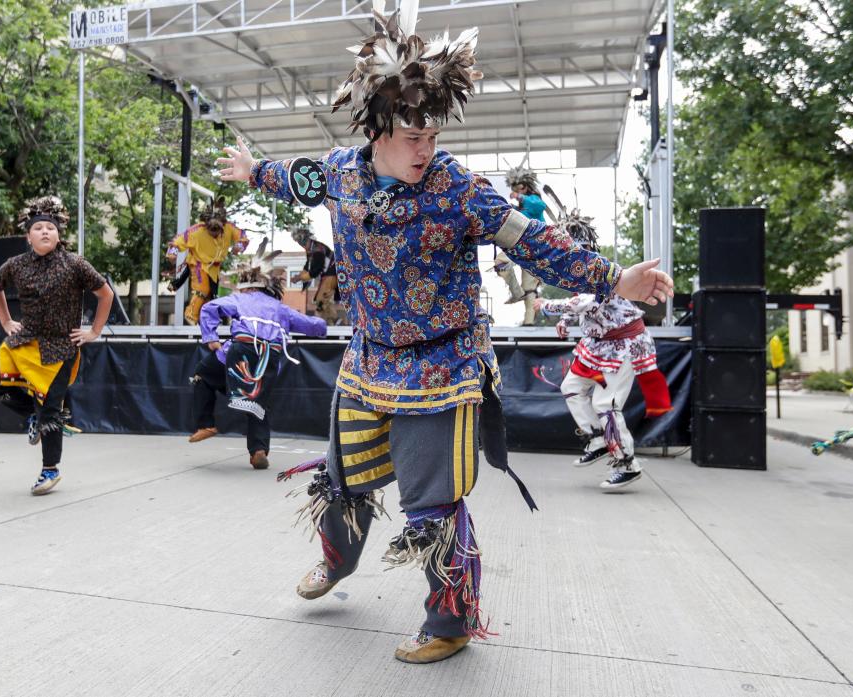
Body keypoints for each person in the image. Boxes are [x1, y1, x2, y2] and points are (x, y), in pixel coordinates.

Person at [217, 0, 672, 665]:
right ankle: (337, 563)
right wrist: (252, 170)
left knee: (431, 501)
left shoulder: (458, 187)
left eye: (432, 136)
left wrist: (614, 276)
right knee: (343, 479)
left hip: (443, 360)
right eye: (412, 137)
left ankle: (452, 618)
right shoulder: (340, 171)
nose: (426, 150)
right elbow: (294, 178)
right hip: (368, 356)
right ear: (377, 129)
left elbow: (533, 241)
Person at [0, 196, 114, 495]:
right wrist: (5, 322)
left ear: (58, 234)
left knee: (51, 412)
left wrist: (94, 331)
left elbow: (106, 295)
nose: (44, 232)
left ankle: (49, 470)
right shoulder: (16, 265)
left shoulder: (75, 263)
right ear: (28, 236)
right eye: (38, 228)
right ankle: (31, 415)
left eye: (49, 228)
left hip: (59, 347)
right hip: (25, 339)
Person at [536, 212, 673, 491]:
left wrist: (547, 307)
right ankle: (597, 437)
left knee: (605, 404)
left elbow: (584, 302)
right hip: (600, 345)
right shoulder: (578, 272)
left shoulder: (599, 269)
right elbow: (586, 306)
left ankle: (628, 463)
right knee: (571, 386)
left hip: (624, 346)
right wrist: (564, 321)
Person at [189, 239, 327, 468]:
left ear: (247, 283)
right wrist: (324, 324)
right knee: (257, 401)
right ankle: (258, 450)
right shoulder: (279, 308)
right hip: (268, 359)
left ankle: (206, 423)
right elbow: (313, 325)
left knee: (202, 374)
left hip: (240, 352)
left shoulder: (240, 299)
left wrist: (211, 338)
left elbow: (209, 308)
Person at [166, 197, 249, 325]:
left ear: (223, 225)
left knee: (212, 295)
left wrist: (239, 247)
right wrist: (172, 253)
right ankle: (190, 316)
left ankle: (204, 320)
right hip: (198, 263)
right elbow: (177, 241)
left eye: (217, 230)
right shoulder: (196, 231)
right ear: (206, 225)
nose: (214, 233)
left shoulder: (229, 228)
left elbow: (242, 237)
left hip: (215, 267)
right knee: (202, 289)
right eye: (211, 230)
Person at [493, 165, 555, 326]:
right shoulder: (520, 208)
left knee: (529, 286)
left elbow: (539, 206)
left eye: (519, 188)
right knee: (501, 262)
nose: (516, 191)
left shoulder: (533, 201)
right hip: (519, 245)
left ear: (525, 187)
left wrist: (520, 198)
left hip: (535, 246)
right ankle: (516, 292)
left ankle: (529, 322)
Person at [291, 227, 340, 324]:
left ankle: (332, 321)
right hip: (329, 273)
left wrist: (300, 278)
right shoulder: (311, 249)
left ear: (305, 241)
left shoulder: (318, 250)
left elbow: (315, 271)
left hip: (332, 272)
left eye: (301, 243)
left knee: (321, 299)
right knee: (320, 300)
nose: (301, 245)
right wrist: (300, 276)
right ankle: (331, 321)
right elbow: (308, 266)